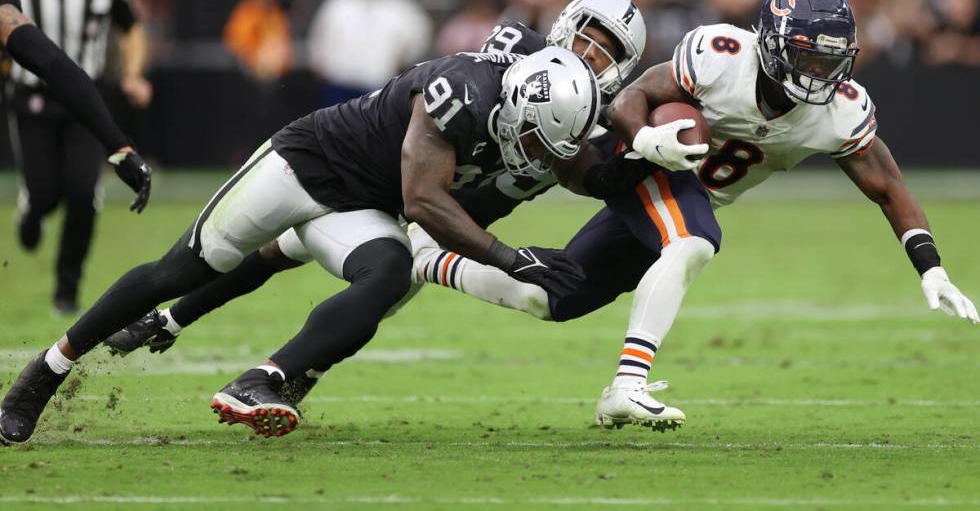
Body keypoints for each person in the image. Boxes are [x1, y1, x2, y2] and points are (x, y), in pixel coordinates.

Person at [0, 36, 657, 444]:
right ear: (516, 101)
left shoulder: (545, 106)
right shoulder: (462, 88)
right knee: (179, 269)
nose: (537, 153)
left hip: (361, 205)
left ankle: (262, 380)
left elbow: (579, 166)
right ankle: (43, 373)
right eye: (534, 136)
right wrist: (512, 259)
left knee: (389, 276)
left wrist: (649, 159)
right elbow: (423, 199)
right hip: (305, 165)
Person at [408, 0, 978, 431]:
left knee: (553, 296)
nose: (818, 74)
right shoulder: (722, 55)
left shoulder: (841, 110)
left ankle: (429, 260)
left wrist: (931, 266)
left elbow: (887, 184)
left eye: (829, 62)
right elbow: (634, 98)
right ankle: (628, 386)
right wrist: (646, 138)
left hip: (686, 191)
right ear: (773, 45)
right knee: (692, 241)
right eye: (806, 58)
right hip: (642, 164)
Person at [1, 0, 152, 313]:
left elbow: (132, 26)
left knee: (83, 193)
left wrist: (133, 74)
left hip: (83, 98)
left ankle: (67, 290)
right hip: (31, 99)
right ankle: (34, 206)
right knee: (47, 192)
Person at [307, 0, 432, 106]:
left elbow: (419, 34)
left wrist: (404, 60)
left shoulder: (398, 4)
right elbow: (320, 34)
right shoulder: (339, 1)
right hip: (339, 79)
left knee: (374, 126)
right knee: (337, 125)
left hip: (378, 82)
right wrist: (318, 62)